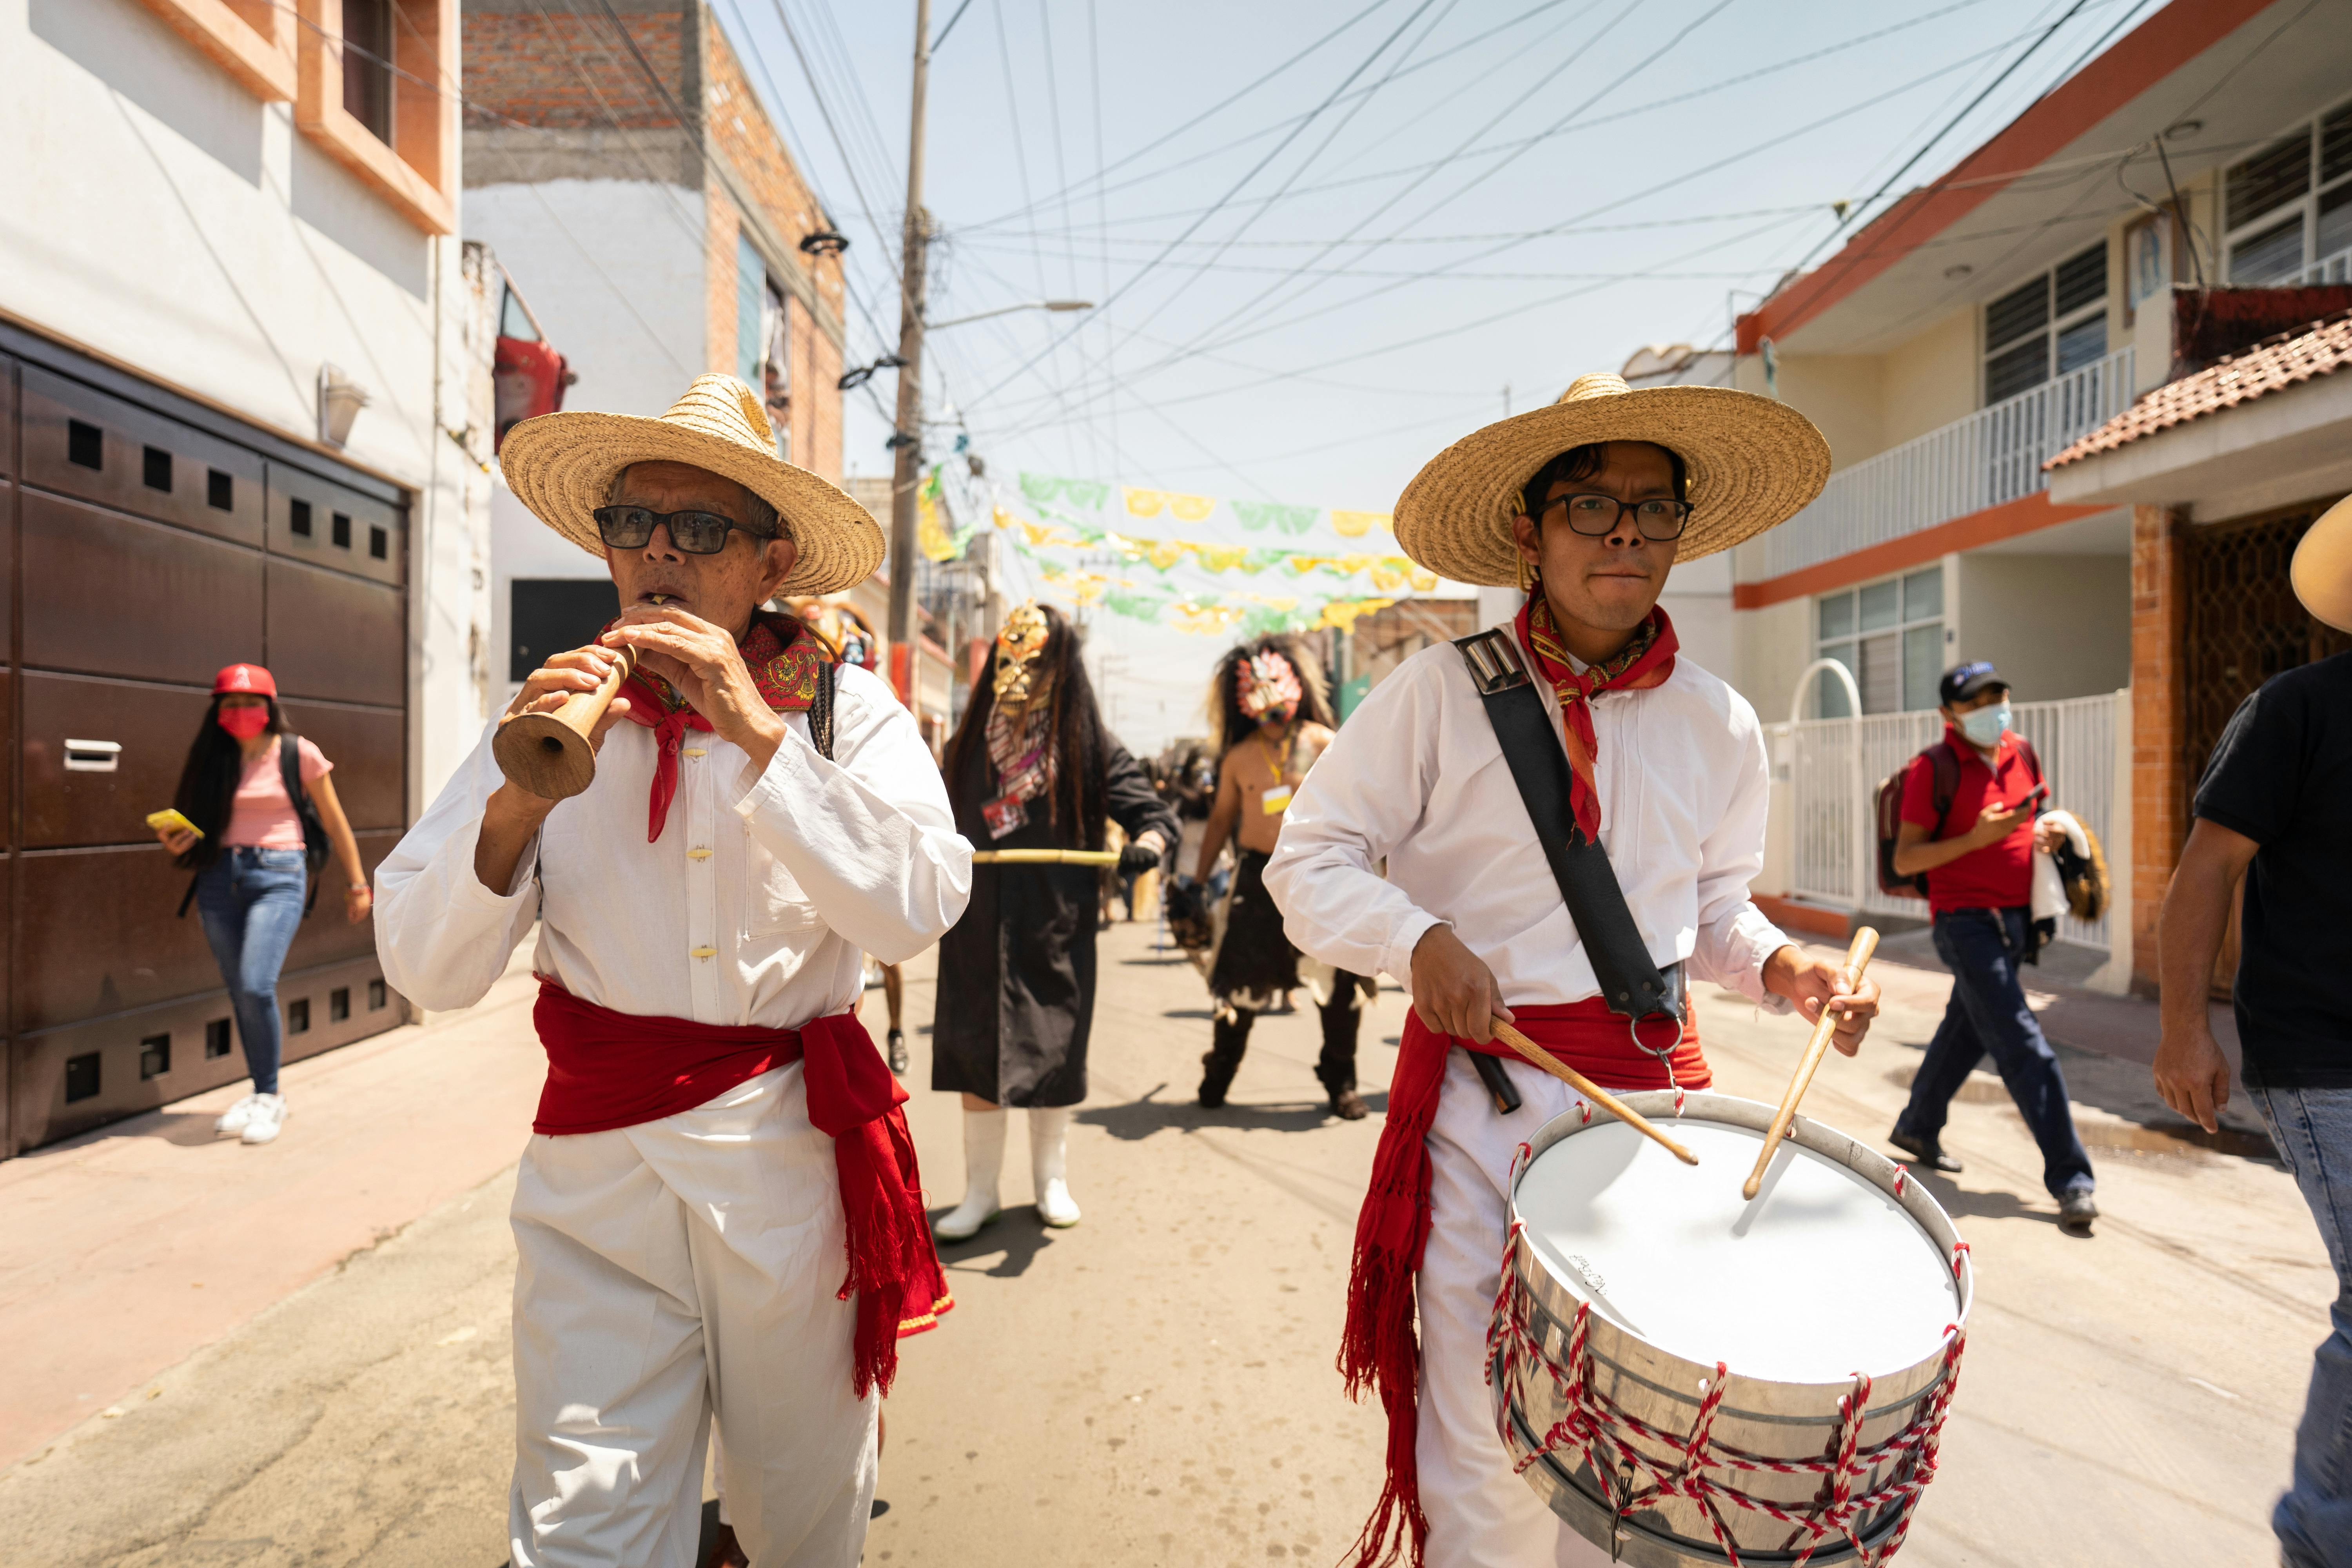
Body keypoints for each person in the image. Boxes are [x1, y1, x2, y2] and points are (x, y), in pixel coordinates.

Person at [1263, 372, 1881, 1568]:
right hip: (1483, 1113)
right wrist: (1416, 940)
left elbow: (1707, 908)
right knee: (1490, 1455)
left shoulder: (1719, 721)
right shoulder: (1435, 695)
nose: (1623, 535)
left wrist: (1779, 966)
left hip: (1654, 1119)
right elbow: (1309, 860)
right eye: (1590, 505)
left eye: (1652, 510)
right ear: (1528, 532)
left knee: (1632, 1461)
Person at [374, 375, 967, 1568]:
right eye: (630, 525)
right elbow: (426, 968)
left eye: (698, 530)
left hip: (788, 1169)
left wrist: (755, 729)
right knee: (581, 1516)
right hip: (597, 1173)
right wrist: (513, 808)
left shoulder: (847, 714)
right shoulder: (544, 708)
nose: (657, 552)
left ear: (768, 562)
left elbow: (915, 908)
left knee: (801, 1504)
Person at [2156, 494, 2352, 1568]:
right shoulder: (2298, 710)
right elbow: (2206, 873)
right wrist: (2186, 1031)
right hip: (2323, 1058)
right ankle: (2322, 1542)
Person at [929, 601, 1178, 1239]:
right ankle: (980, 1191)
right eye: (1011, 660)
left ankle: (1051, 1182)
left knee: (1053, 1049)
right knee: (976, 1047)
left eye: (1035, 663)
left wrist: (1148, 841)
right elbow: (923, 814)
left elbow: (1150, 811)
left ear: (1059, 668)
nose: (1020, 675)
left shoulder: (1086, 741)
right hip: (976, 921)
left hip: (1055, 924)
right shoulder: (964, 745)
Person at [1886, 660, 2098, 1235]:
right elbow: (1906, 859)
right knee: (2022, 1042)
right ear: (1949, 714)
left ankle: (1917, 1126)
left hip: (2016, 918)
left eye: (1997, 695)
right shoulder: (1933, 770)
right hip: (1963, 922)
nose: (1990, 708)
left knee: (1969, 1024)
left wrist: (2048, 830)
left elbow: (2036, 815)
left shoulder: (2022, 752)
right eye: (1976, 701)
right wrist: (1974, 839)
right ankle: (2072, 1178)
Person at [154, 662, 371, 1146]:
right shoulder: (212, 758)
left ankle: (270, 1096)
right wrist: (180, 842)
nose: (241, 711)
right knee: (238, 989)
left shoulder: (299, 754)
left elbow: (336, 822)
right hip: (217, 878)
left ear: (270, 707)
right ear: (218, 710)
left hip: (278, 875)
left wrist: (358, 883)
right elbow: (196, 822)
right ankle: (258, 1092)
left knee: (255, 983)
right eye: (230, 703)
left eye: (251, 703)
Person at [1191, 635, 1370, 1119]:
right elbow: (1221, 821)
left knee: (1336, 986)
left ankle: (1341, 1081)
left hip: (1321, 876)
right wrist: (1194, 881)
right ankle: (1219, 1071)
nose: (1271, 712)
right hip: (1256, 880)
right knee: (1238, 990)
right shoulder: (1238, 758)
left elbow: (1359, 811)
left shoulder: (1322, 742)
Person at [791, 593, 911, 1076]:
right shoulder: (801, 626)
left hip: (856, 792)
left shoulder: (858, 692)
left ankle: (897, 1030)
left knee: (883, 943)